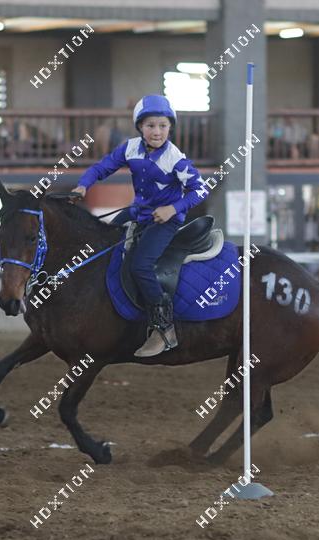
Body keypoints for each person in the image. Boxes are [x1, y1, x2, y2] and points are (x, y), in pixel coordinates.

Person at [71, 94, 208, 357]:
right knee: (104, 239)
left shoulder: (176, 158)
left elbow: (200, 190)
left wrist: (172, 209)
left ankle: (164, 328)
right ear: (140, 128)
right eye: (150, 125)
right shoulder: (130, 148)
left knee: (141, 265)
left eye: (163, 126)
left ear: (170, 128)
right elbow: (101, 168)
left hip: (166, 220)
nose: (157, 131)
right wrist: (83, 185)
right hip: (139, 212)